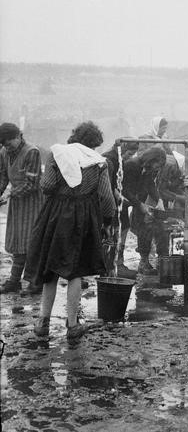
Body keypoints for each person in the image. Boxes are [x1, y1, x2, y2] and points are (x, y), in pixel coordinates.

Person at [26, 121, 116, 341]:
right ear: (94, 143)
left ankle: (42, 323)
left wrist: (62, 193)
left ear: (75, 137)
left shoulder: (57, 153)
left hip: (55, 214)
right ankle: (73, 325)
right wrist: (106, 221)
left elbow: (46, 186)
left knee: (50, 269)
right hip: (83, 217)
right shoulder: (99, 162)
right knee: (76, 269)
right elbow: (106, 198)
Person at [0, 122, 44, 294]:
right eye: (3, 144)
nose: (6, 147)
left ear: (18, 136)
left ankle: (36, 281)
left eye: (8, 143)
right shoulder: (4, 152)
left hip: (33, 202)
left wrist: (10, 194)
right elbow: (3, 176)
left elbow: (32, 184)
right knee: (17, 240)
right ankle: (14, 281)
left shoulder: (32, 152)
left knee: (32, 242)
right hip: (17, 202)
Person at [122, 147, 167, 275]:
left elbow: (149, 184)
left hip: (137, 199)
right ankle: (119, 263)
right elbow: (125, 189)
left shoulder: (148, 169)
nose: (157, 168)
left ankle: (144, 262)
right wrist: (139, 204)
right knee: (124, 229)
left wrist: (159, 200)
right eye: (157, 165)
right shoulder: (132, 165)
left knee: (145, 227)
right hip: (123, 199)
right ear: (151, 159)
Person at [101, 139, 139, 276]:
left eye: (132, 154)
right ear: (122, 148)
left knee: (123, 228)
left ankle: (118, 262)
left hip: (117, 200)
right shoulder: (109, 159)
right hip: (107, 200)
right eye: (129, 153)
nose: (130, 157)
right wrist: (117, 194)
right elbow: (107, 184)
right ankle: (109, 266)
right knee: (111, 232)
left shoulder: (119, 159)